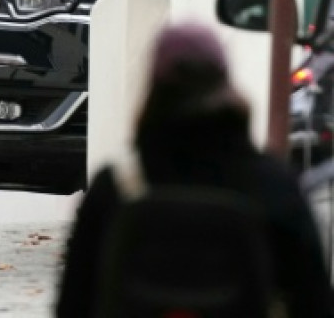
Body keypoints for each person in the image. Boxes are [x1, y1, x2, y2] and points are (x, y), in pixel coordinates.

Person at [56, 22, 333, 317]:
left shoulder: (115, 187)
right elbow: (313, 301)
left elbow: (73, 303)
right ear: (225, 82)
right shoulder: (273, 185)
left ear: (153, 88)